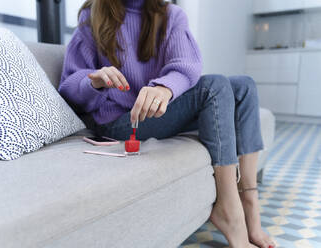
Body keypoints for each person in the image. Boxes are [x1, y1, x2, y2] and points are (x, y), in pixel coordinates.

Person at [59, 0, 275, 247]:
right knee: (214, 87)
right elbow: (68, 88)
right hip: (120, 123)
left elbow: (187, 66)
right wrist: (93, 82)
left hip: (158, 112)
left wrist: (164, 88)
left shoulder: (171, 15)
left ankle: (249, 201)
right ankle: (229, 209)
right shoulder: (93, 15)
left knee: (243, 86)